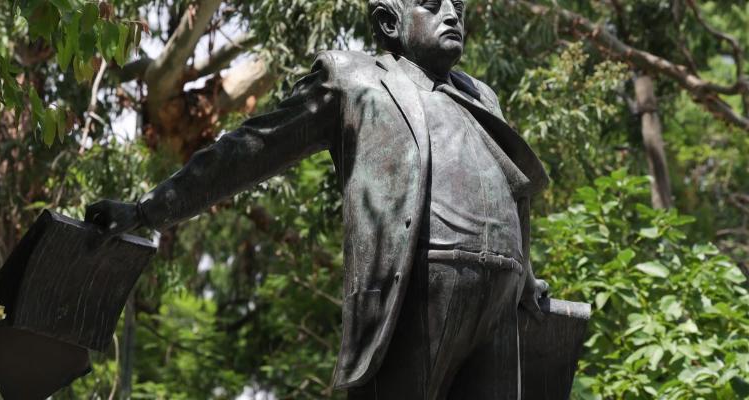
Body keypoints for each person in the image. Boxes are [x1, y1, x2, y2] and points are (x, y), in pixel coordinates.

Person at [85, 0, 550, 398]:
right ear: (390, 22)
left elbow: (513, 184)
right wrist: (149, 209)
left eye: (458, 7)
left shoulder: (482, 95)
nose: (452, 14)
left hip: (500, 299)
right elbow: (252, 148)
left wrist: (526, 275)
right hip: (417, 291)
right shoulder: (352, 80)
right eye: (431, 4)